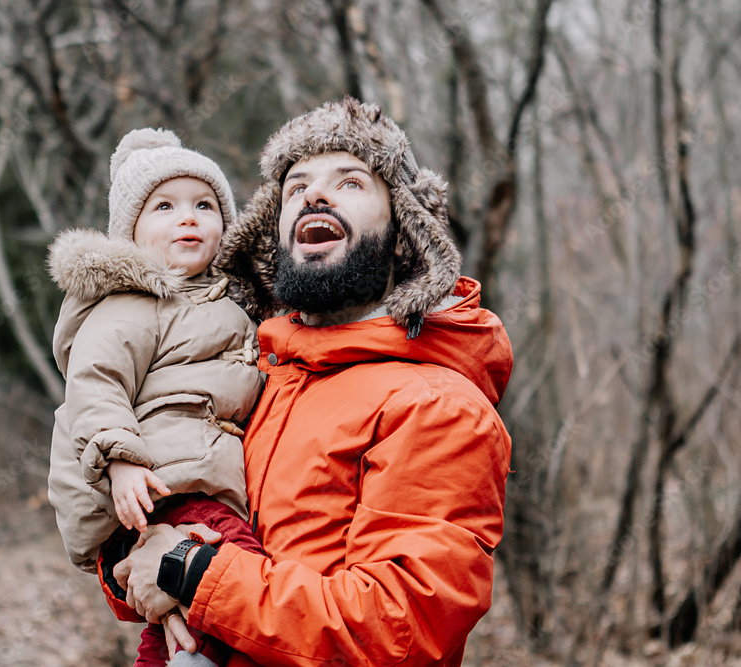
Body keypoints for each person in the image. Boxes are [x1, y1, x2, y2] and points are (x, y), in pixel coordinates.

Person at [112, 97, 514, 666]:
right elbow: (177, 530)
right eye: (296, 186)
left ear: (403, 231)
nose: (314, 196)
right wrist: (135, 553)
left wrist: (189, 572)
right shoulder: (258, 374)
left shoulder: (438, 407)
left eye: (350, 182)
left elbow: (399, 633)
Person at [47, 128, 266, 666]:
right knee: (240, 586)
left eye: (205, 205)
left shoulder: (223, 303)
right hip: (165, 486)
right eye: (165, 206)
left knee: (187, 615)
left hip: (201, 485)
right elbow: (97, 383)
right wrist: (122, 463)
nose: (188, 217)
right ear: (132, 234)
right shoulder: (132, 303)